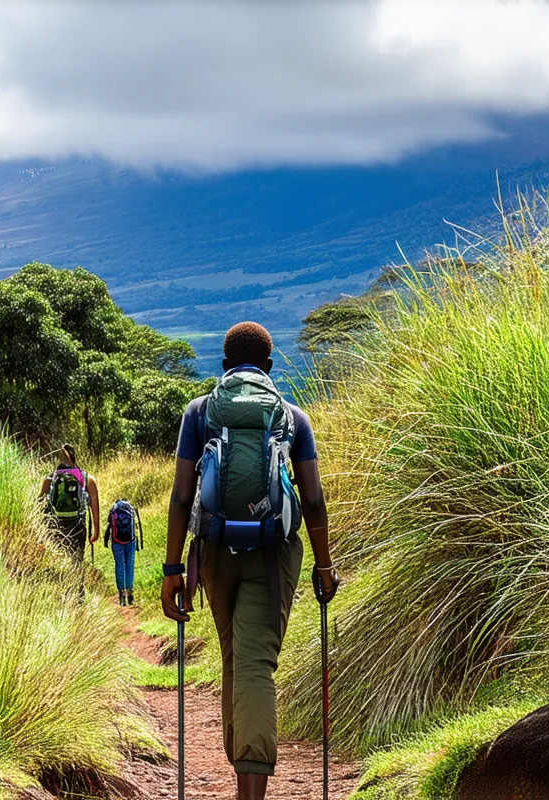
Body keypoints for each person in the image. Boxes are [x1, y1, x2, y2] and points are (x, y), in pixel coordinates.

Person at [161, 321, 339, 800]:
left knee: (234, 660)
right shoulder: (291, 417)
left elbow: (181, 498)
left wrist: (173, 570)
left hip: (215, 552)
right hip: (271, 553)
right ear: (268, 367)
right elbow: (315, 500)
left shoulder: (199, 414)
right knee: (256, 663)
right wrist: (324, 567)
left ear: (224, 368)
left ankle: (244, 779)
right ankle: (251, 790)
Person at [40, 444, 100, 599]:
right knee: (77, 558)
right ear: (75, 457)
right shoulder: (87, 478)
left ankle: (63, 593)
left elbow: (40, 503)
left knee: (60, 556)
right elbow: (94, 504)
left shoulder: (50, 478)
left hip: (55, 524)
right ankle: (79, 594)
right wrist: (96, 530)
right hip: (78, 523)